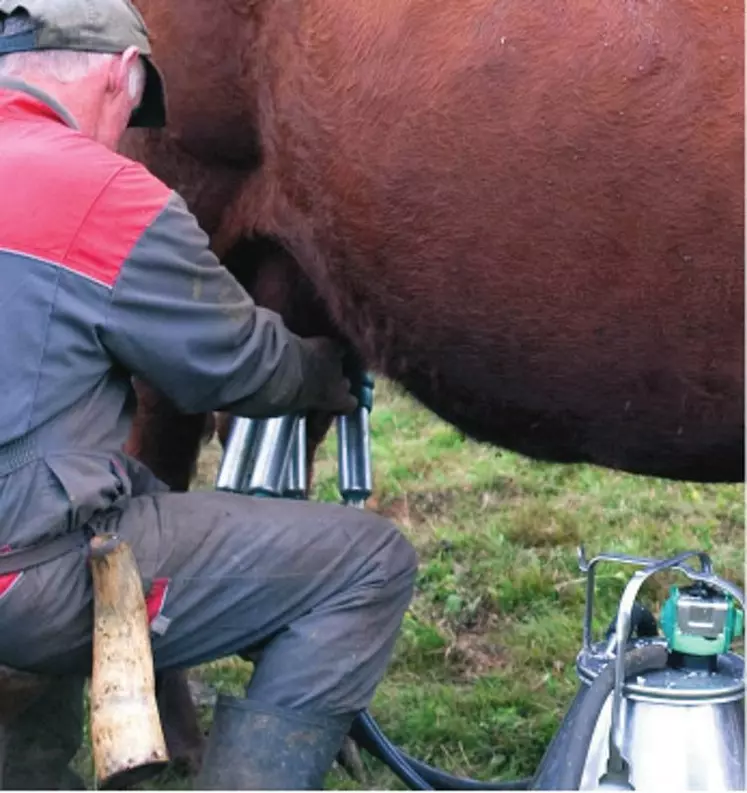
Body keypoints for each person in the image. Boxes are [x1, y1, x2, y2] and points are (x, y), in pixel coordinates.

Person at [0, 0, 418, 789]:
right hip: (22, 579)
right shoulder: (101, 194)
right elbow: (228, 366)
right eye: (133, 108)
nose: (126, 129)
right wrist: (321, 371)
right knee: (370, 562)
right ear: (121, 74)